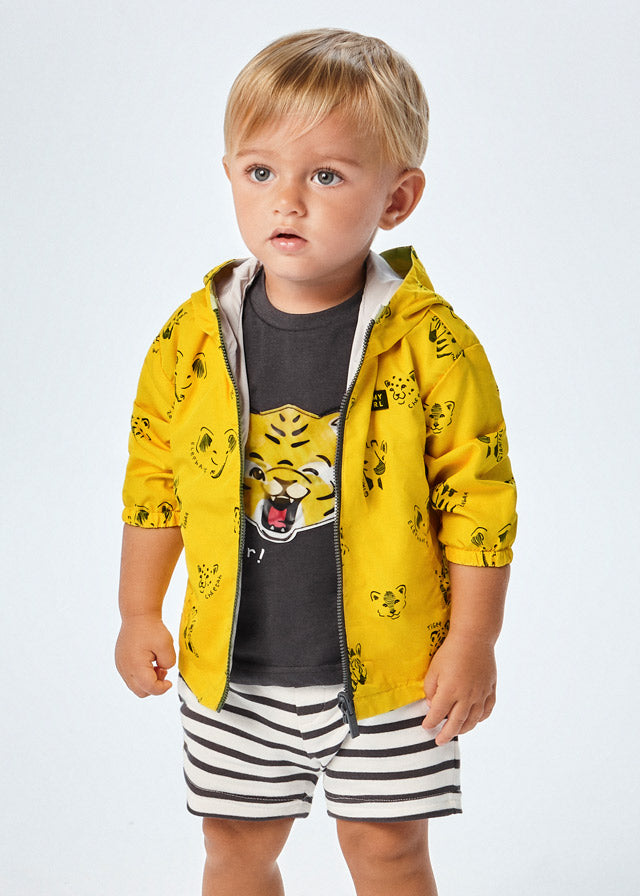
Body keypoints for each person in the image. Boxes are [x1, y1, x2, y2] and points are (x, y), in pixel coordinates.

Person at [115, 28, 517, 896]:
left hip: (395, 674)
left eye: (326, 176)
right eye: (262, 171)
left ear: (397, 198)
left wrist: (474, 641)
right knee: (235, 849)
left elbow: (479, 503)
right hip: (233, 674)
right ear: (230, 174)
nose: (287, 202)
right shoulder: (192, 338)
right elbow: (153, 481)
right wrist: (137, 608)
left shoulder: (433, 346)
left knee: (388, 851)